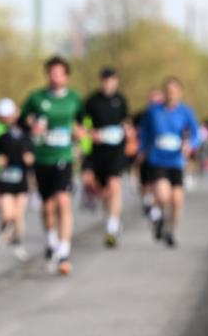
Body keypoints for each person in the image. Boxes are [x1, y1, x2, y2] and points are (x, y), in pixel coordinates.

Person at [19, 56, 84, 276]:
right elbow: (21, 122)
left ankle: (64, 252)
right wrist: (32, 127)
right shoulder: (36, 98)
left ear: (66, 75)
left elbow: (83, 122)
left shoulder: (74, 99)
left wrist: (80, 132)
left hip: (63, 156)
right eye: (51, 72)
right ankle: (51, 240)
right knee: (47, 207)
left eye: (59, 72)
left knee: (63, 200)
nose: (55, 76)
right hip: (42, 157)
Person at [139, 76, 201, 247]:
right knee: (163, 195)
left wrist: (190, 145)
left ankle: (170, 230)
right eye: (168, 92)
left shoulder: (186, 112)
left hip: (177, 161)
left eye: (174, 92)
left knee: (177, 201)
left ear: (180, 93)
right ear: (164, 93)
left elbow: (196, 134)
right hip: (158, 159)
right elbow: (144, 132)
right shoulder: (153, 111)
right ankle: (158, 216)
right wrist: (142, 150)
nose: (171, 95)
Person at [83, 67, 130, 248]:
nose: (108, 84)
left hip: (116, 151)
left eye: (112, 80)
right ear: (101, 81)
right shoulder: (92, 101)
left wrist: (127, 130)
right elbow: (83, 124)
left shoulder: (121, 100)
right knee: (104, 192)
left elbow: (125, 121)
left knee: (114, 185)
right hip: (98, 151)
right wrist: (90, 133)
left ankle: (112, 227)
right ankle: (110, 219)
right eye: (105, 80)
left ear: (116, 81)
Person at [0, 98, 32, 261]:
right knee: (8, 213)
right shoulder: (0, 136)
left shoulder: (25, 134)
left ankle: (19, 243)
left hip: (21, 177)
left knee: (18, 214)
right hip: (6, 178)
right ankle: (5, 228)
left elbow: (31, 154)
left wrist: (29, 159)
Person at [133, 88, 163, 219]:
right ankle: (146, 199)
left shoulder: (165, 114)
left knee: (157, 182)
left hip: (160, 155)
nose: (154, 102)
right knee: (144, 181)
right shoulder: (141, 115)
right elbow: (131, 129)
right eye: (152, 99)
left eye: (157, 99)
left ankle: (155, 208)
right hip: (144, 152)